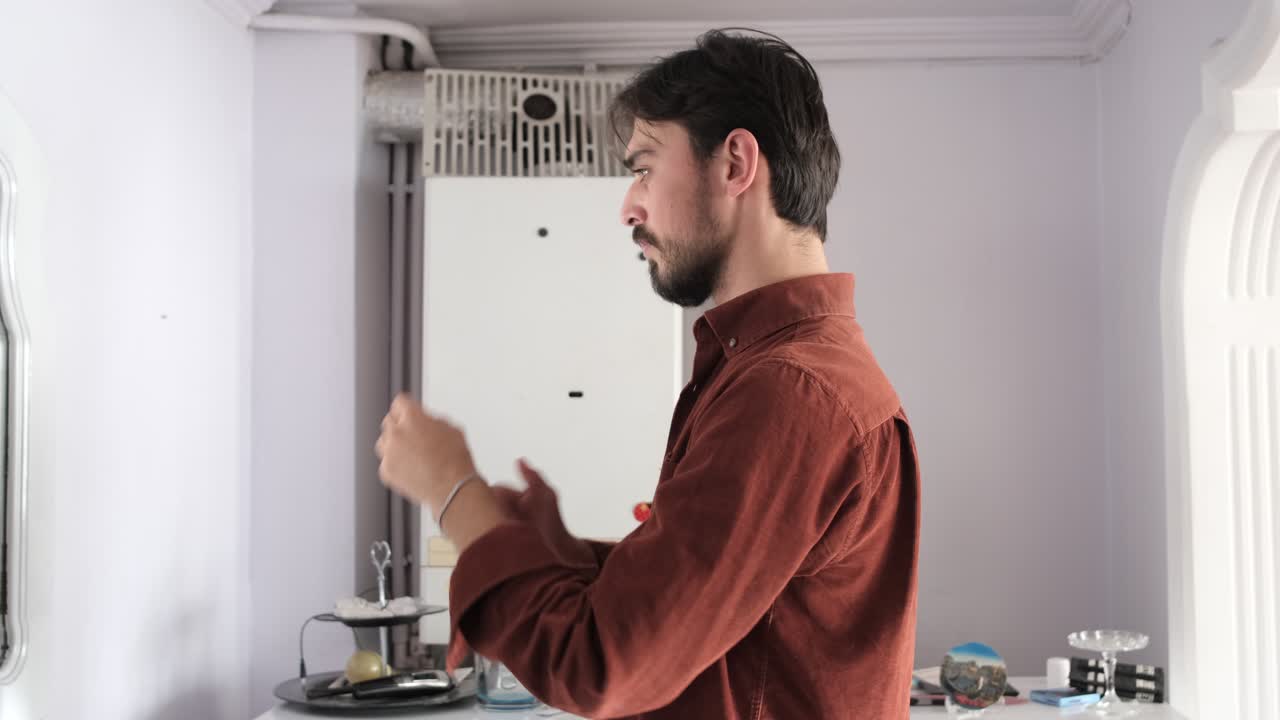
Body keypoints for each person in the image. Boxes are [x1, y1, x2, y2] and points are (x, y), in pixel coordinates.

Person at [375, 29, 920, 720]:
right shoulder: (786, 372)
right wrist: (563, 556)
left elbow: (602, 666)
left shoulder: (790, 391)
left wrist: (454, 492)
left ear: (735, 164)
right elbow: (723, 611)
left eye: (643, 167)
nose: (628, 206)